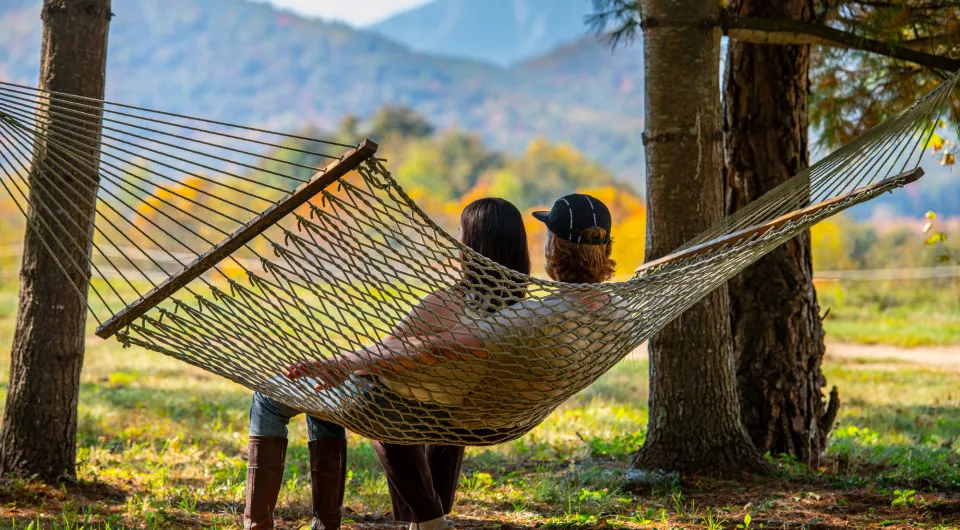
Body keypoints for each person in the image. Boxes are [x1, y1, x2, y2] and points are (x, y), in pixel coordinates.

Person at [245, 198, 531, 530]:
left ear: (473, 246)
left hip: (383, 402)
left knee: (267, 398)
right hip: (440, 412)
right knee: (321, 403)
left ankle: (258, 525)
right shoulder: (519, 316)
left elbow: (386, 352)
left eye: (460, 235)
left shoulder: (447, 303)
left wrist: (344, 367)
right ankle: (324, 524)